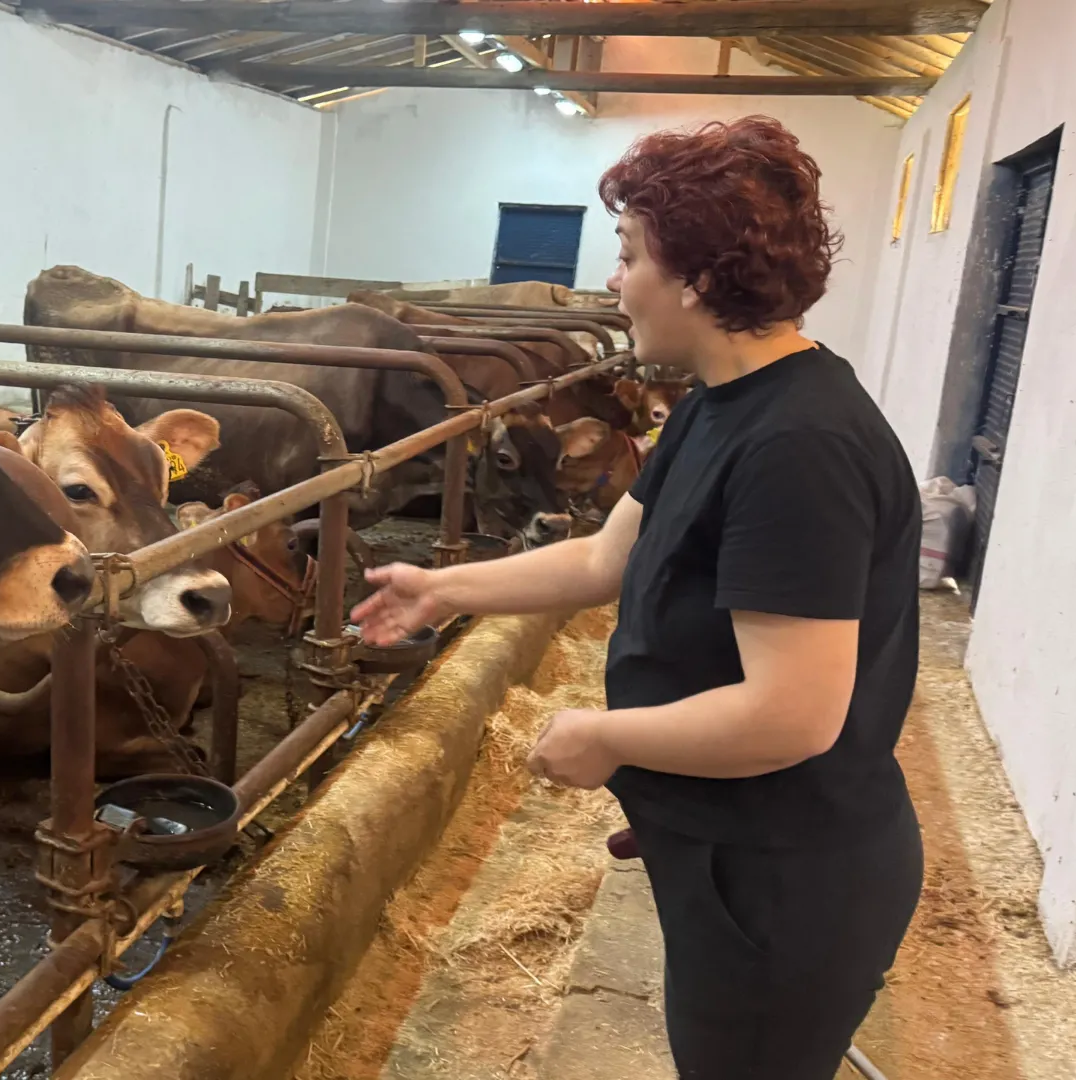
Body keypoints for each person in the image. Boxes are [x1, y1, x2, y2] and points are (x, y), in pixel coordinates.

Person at [351, 116, 924, 1080]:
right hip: (728, 841)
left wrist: (609, 735)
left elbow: (792, 714)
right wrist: (442, 588)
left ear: (697, 275)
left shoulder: (797, 448)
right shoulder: (716, 404)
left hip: (785, 874)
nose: (614, 282)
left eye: (628, 254)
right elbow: (602, 563)